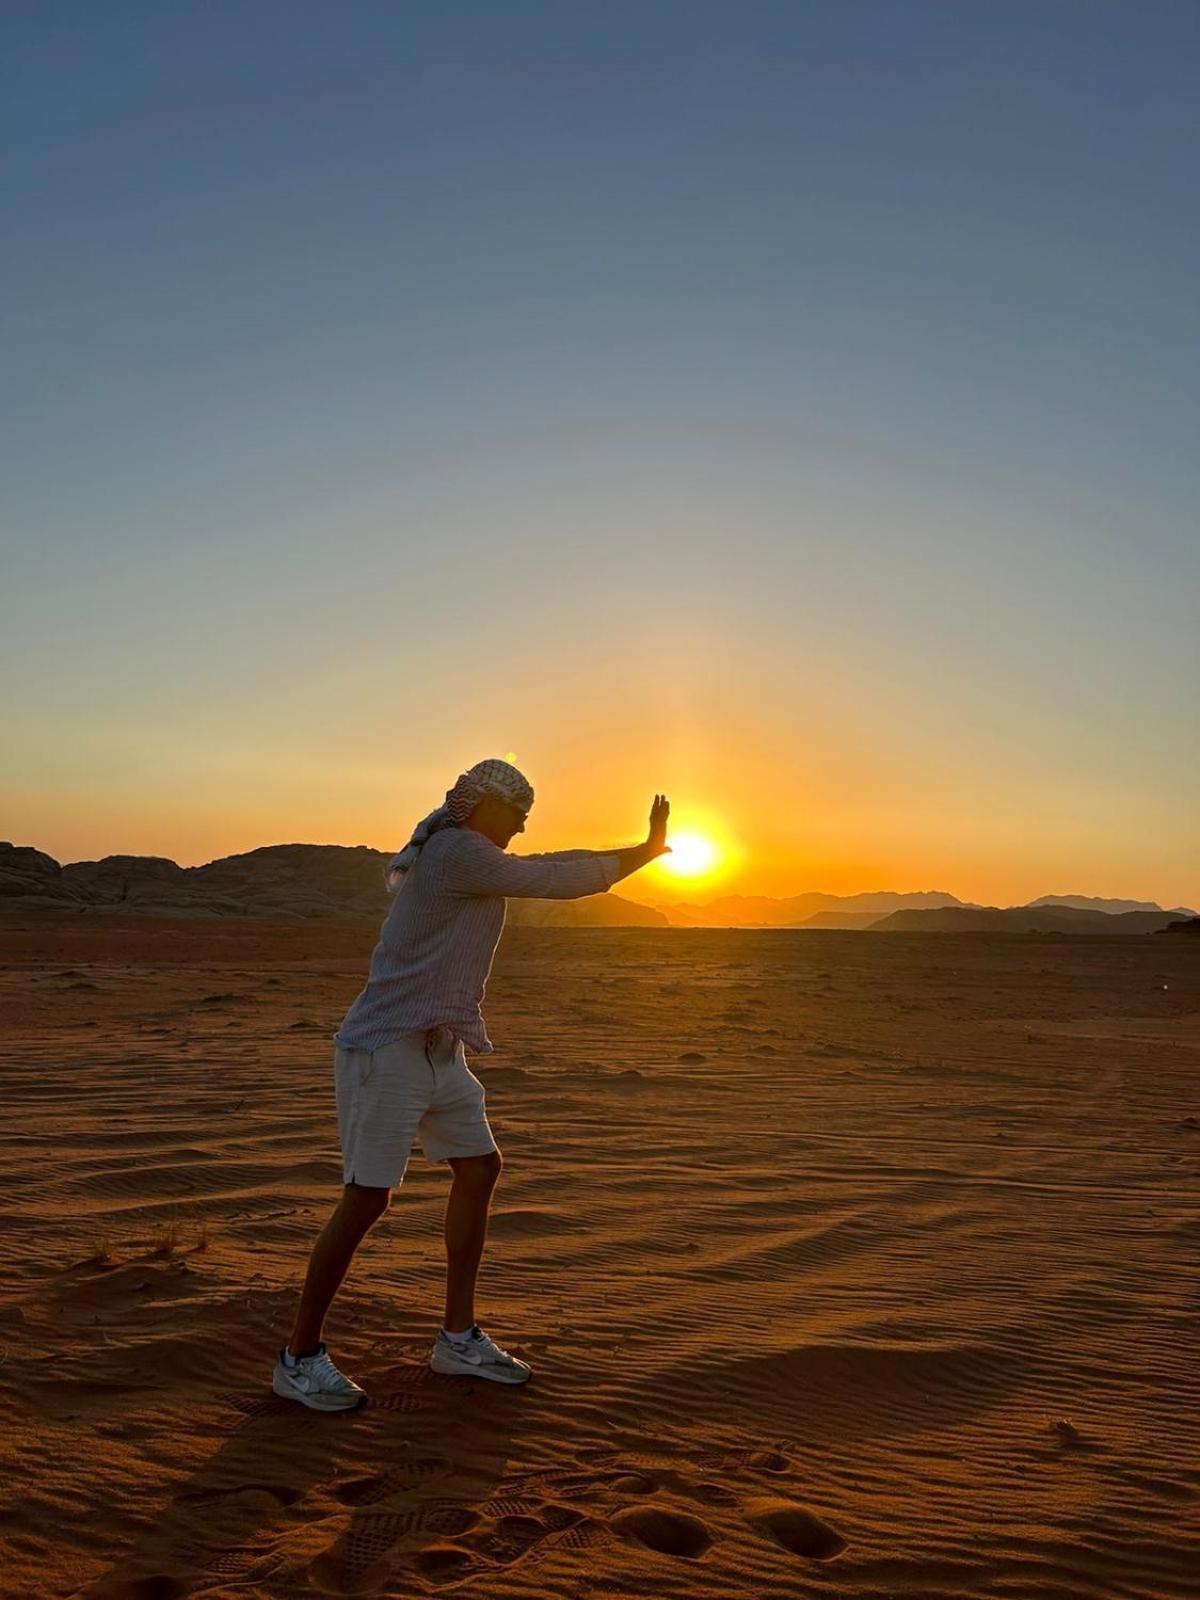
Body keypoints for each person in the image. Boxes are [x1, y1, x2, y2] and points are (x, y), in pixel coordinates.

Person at [272, 758, 671, 1410]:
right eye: (516, 813)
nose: (522, 825)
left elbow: (550, 859)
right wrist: (645, 854)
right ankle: (299, 1357)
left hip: (438, 1049)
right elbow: (553, 877)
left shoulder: (471, 853)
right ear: (480, 806)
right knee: (367, 1200)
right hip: (387, 1049)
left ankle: (456, 1338)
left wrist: (640, 848)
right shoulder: (458, 852)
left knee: (480, 1169)